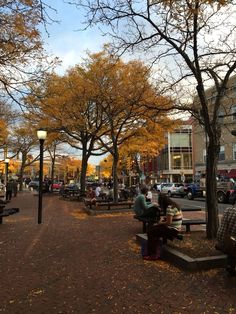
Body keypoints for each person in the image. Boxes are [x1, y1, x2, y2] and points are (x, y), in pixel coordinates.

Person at [144, 193, 183, 260]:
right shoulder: (174, 205)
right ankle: (153, 251)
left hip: (172, 230)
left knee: (151, 232)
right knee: (152, 230)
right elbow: (170, 218)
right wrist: (162, 220)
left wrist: (159, 223)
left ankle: (153, 254)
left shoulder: (169, 208)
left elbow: (168, 222)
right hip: (175, 228)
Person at [216, 206, 236, 276]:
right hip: (231, 242)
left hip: (221, 238)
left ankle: (230, 265)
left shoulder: (228, 209)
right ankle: (232, 267)